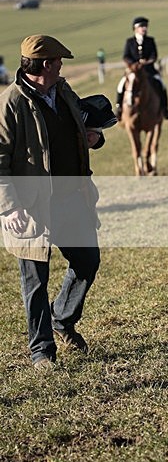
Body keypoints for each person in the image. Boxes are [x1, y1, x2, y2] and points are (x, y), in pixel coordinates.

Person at [0, 35, 110, 370]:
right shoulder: (10, 103)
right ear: (45, 64)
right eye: (59, 61)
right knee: (35, 281)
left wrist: (94, 137)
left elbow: (81, 126)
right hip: (32, 206)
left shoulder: (62, 91)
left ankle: (62, 318)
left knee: (87, 261)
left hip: (72, 197)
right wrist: (9, 207)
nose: (62, 65)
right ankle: (42, 351)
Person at [116, 17, 168, 120]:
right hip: (133, 71)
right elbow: (125, 56)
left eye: (145, 26)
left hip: (149, 71)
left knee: (161, 85)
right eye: (142, 26)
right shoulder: (129, 42)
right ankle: (119, 109)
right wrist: (134, 65)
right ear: (135, 28)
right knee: (121, 86)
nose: (144, 28)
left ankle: (165, 109)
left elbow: (154, 56)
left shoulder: (150, 40)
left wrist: (146, 62)